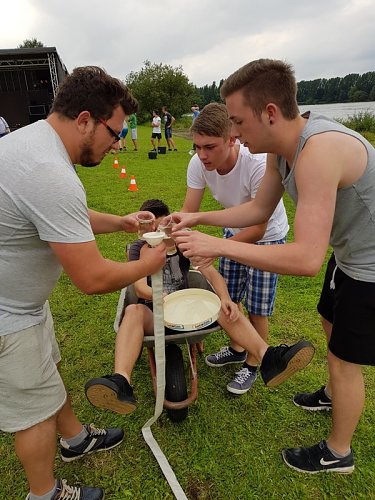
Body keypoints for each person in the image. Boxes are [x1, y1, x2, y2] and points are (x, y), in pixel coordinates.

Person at [173, 58, 375, 474]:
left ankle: (338, 453)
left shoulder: (319, 152)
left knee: (343, 358)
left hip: (370, 267)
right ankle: (334, 395)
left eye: (237, 122)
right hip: (350, 255)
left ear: (269, 113)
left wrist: (219, 247)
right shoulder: (283, 151)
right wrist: (198, 219)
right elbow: (258, 208)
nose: (233, 133)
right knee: (329, 324)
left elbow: (304, 258)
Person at [0, 66, 166, 500]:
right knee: (33, 410)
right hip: (7, 314)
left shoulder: (36, 143)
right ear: (85, 120)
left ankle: (75, 440)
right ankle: (45, 493)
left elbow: (58, 216)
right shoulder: (48, 172)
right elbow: (92, 278)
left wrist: (122, 222)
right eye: (115, 132)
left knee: (48, 370)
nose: (117, 145)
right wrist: (150, 262)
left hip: (22, 304)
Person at [84, 198, 314, 414]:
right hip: (155, 312)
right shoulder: (137, 249)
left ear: (170, 224)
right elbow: (138, 286)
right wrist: (158, 287)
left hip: (188, 311)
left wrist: (224, 297)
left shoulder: (184, 244)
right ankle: (121, 381)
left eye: (164, 227)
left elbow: (211, 274)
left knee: (222, 307)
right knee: (132, 310)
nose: (160, 233)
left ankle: (268, 357)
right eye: (153, 230)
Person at [181, 102, 289, 394]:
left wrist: (216, 247)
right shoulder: (198, 164)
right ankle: (238, 347)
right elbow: (189, 212)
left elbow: (259, 227)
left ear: (232, 139)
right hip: (232, 232)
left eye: (210, 147)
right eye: (198, 146)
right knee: (230, 297)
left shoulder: (255, 165)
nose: (202, 155)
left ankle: (255, 364)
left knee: (257, 308)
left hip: (267, 239)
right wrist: (170, 234)